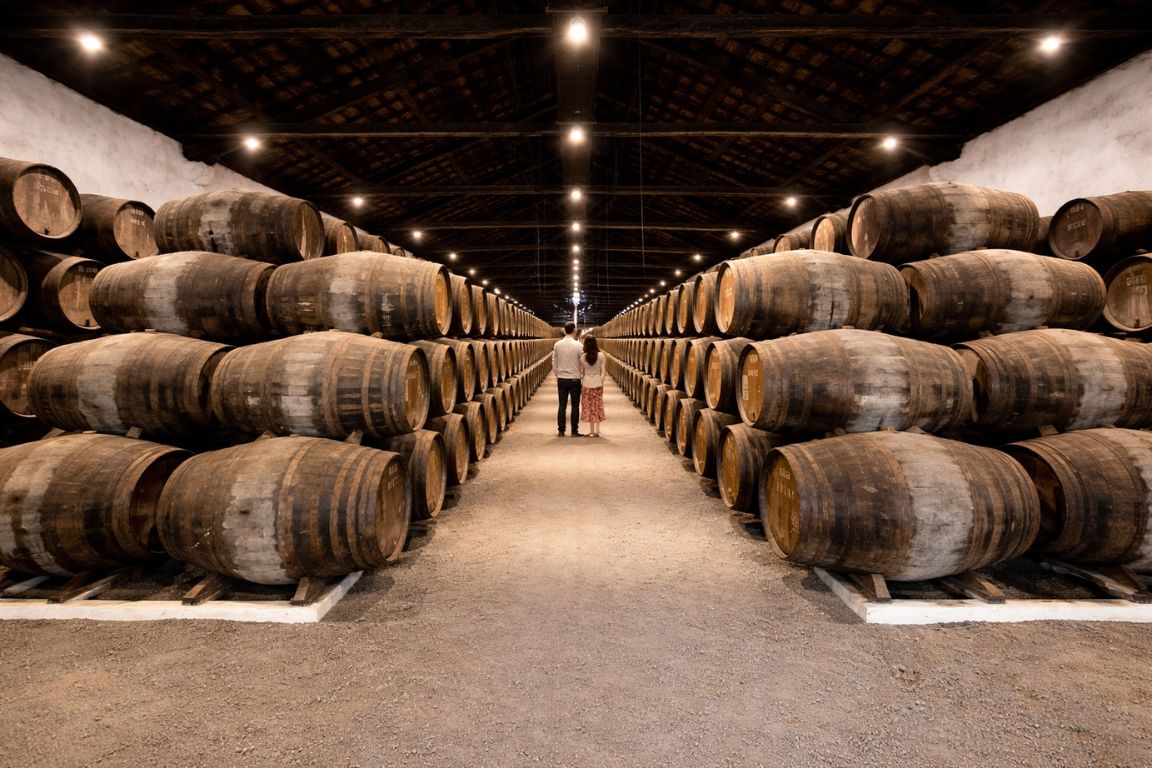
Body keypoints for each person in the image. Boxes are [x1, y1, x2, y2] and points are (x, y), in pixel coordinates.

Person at [552, 321, 583, 436]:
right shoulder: (579, 345)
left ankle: (561, 431)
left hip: (562, 378)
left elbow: (554, 361)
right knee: (575, 405)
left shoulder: (557, 344)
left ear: (565, 330)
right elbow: (582, 361)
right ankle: (574, 431)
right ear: (574, 330)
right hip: (575, 378)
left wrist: (556, 374)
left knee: (562, 405)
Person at [579, 335, 605, 437]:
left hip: (586, 383)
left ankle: (592, 431)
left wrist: (583, 379)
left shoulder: (582, 357)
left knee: (589, 406)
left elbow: (582, 372)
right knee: (598, 405)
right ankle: (598, 430)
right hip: (598, 382)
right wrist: (601, 380)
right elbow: (603, 371)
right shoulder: (602, 355)